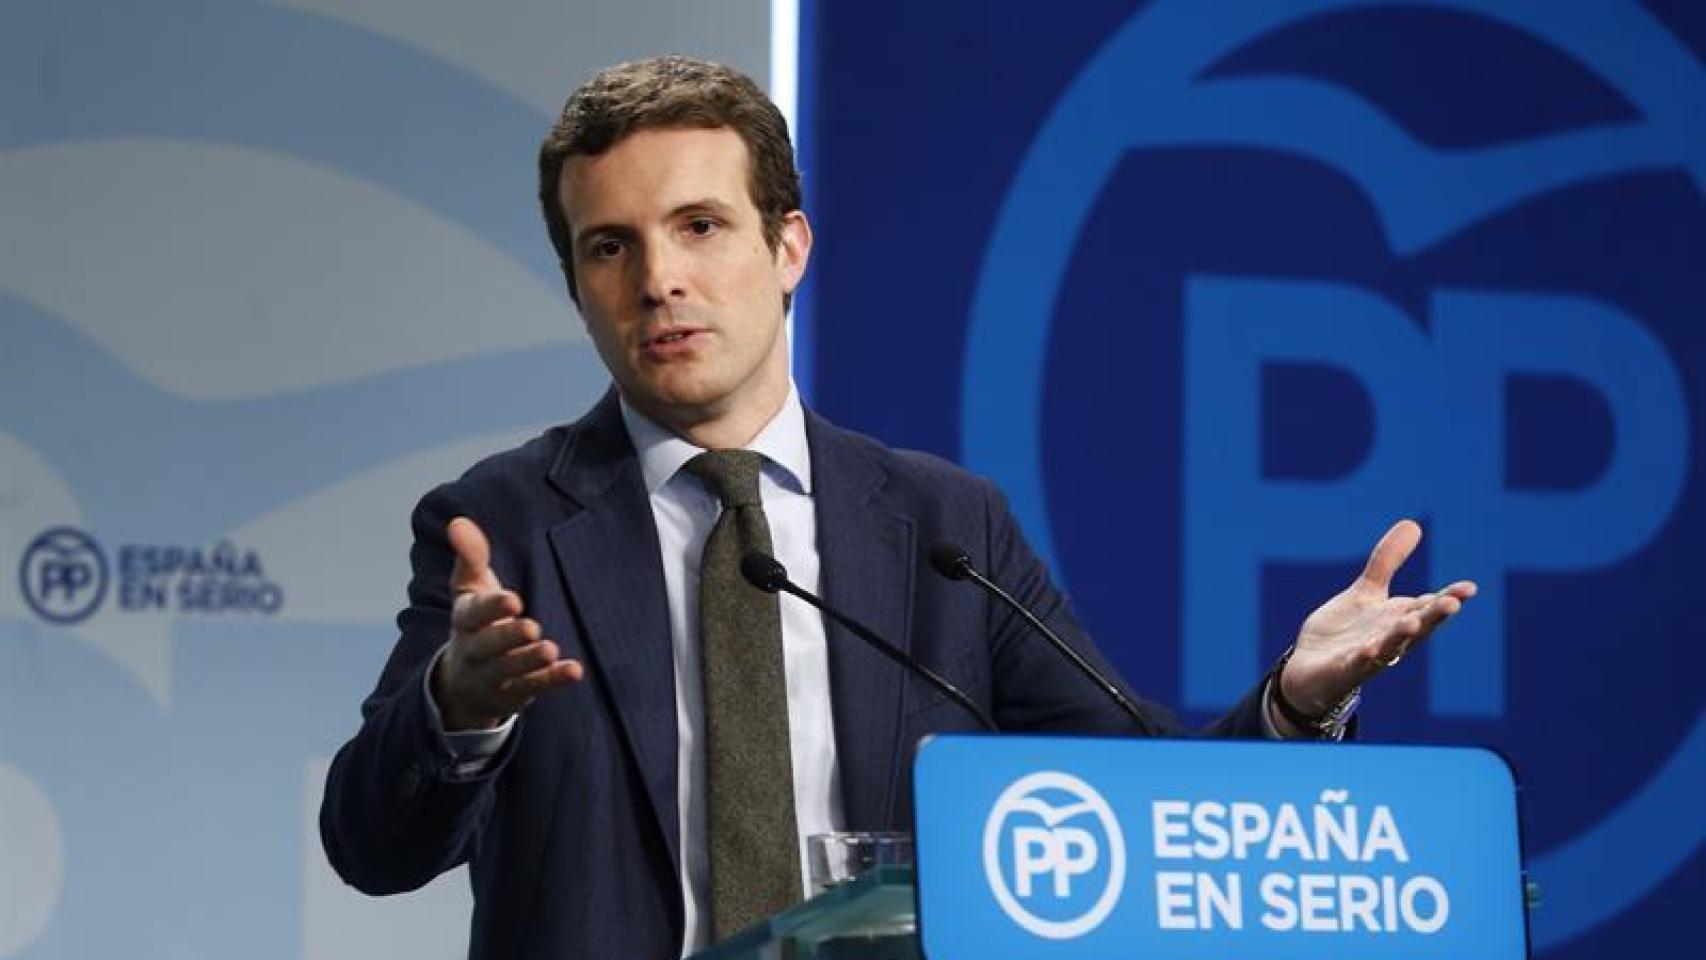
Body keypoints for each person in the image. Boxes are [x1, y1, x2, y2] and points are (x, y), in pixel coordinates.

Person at [319, 56, 1475, 960]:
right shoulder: (501, 527)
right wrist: (458, 711)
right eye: (607, 247)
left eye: (699, 227)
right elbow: (370, 846)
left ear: (788, 247)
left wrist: (1289, 703)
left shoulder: (942, 526)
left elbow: (1140, 807)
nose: (657, 278)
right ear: (576, 286)